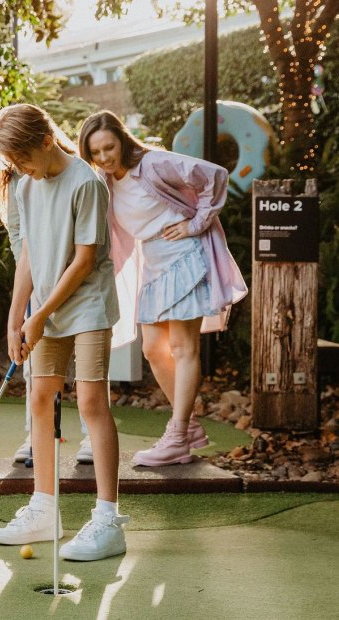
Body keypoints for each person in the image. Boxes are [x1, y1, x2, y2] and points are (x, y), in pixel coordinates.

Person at [0, 103, 129, 561]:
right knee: (39, 397)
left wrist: (39, 311)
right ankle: (44, 507)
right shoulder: (27, 186)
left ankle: (108, 520)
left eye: (22, 158)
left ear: (47, 141)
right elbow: (28, 255)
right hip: (44, 308)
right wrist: (16, 315)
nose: (20, 169)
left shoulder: (86, 183)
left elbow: (85, 259)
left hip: (85, 304)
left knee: (90, 401)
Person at [78, 110, 248, 467]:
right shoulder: (107, 182)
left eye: (110, 147)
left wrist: (196, 224)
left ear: (122, 140)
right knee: (154, 349)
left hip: (184, 255)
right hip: (154, 262)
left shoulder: (152, 164)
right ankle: (189, 429)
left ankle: (176, 435)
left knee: (182, 347)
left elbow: (215, 176)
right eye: (97, 153)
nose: (106, 157)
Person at [0, 171, 93, 465]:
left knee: (86, 363)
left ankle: (90, 436)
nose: (13, 162)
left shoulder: (78, 176)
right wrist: (33, 282)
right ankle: (35, 434)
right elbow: (19, 239)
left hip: (78, 284)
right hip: (38, 285)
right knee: (34, 365)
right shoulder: (14, 181)